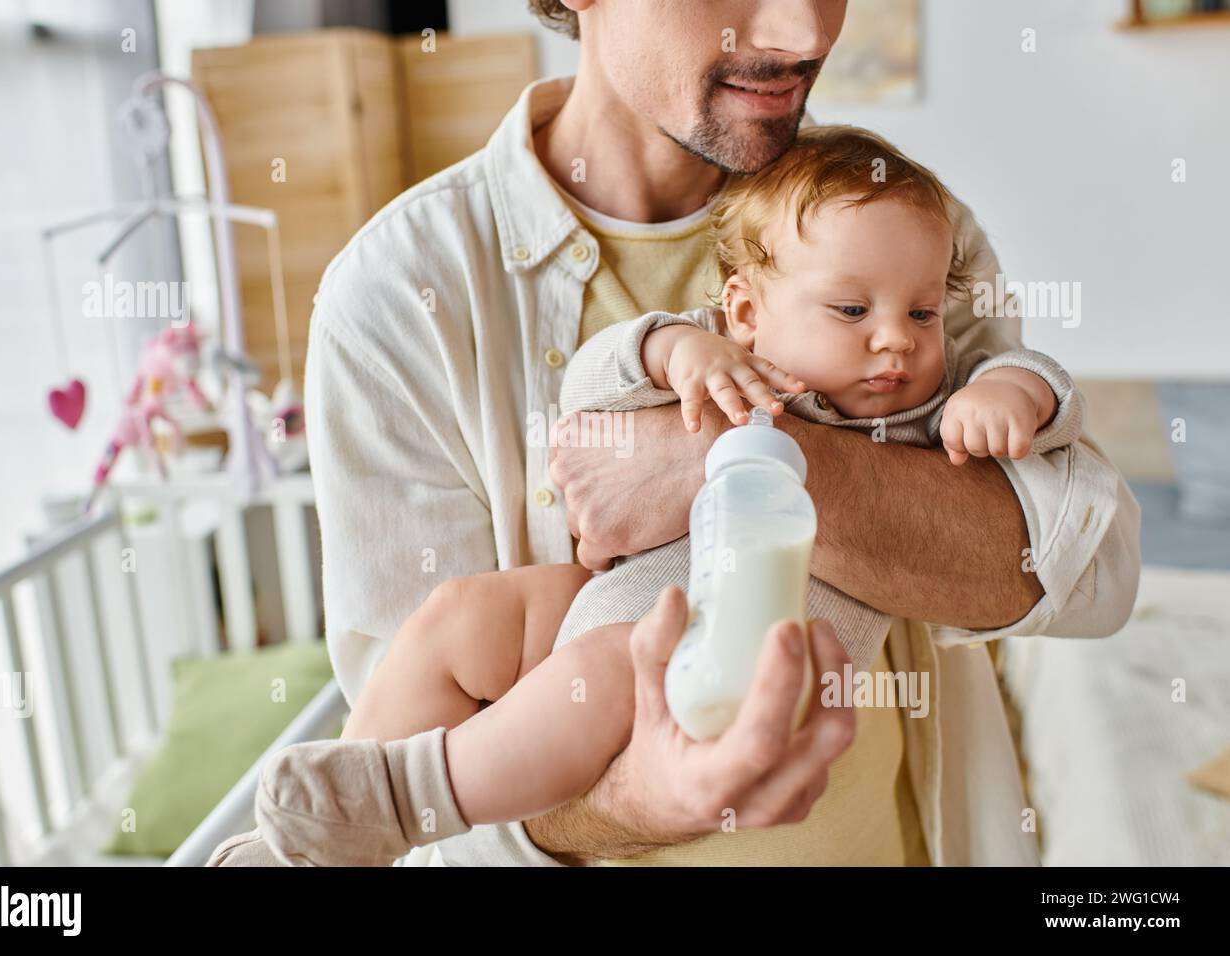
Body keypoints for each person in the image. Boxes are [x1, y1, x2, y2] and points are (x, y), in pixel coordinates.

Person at [302, 0, 1140, 866]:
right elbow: (437, 846)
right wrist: (635, 804)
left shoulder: (897, 222)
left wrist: (721, 458)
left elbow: (1089, 568)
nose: (806, 35)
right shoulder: (397, 298)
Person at [209, 592, 854, 866]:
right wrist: (668, 356)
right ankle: (304, 852)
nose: (894, 341)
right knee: (459, 616)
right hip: (615, 591)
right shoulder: (735, 346)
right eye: (852, 310)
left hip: (688, 652)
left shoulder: (927, 403)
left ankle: (405, 797)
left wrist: (964, 400)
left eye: (922, 315)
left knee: (605, 668)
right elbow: (606, 379)